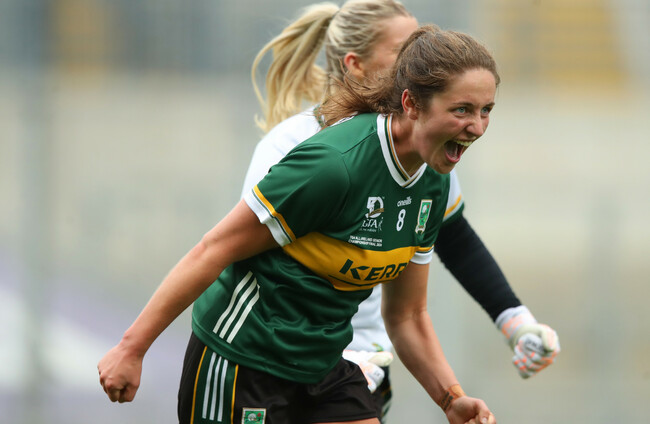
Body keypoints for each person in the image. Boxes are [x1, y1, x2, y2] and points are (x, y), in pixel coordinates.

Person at [99, 24, 500, 424]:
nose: (478, 127)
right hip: (245, 357)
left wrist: (450, 399)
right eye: (462, 110)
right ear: (411, 103)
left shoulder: (432, 184)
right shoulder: (334, 166)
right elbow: (213, 249)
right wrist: (131, 349)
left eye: (486, 111)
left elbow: (407, 315)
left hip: (323, 362)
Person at [244, 0, 560, 420]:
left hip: (364, 364)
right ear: (355, 65)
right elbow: (244, 257)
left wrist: (515, 321)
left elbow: (454, 238)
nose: (420, 60)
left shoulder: (422, 149)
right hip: (275, 360)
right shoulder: (296, 146)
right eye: (403, 50)